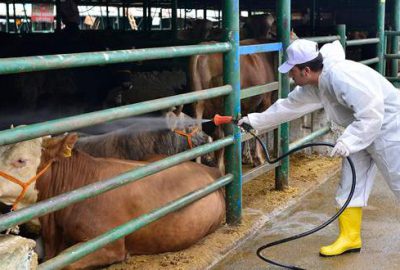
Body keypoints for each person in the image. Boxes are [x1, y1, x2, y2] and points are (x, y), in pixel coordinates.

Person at [239, 39, 400, 257]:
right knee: (350, 184)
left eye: (292, 71)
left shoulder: (341, 76)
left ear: (305, 70)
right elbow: (289, 106)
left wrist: (348, 141)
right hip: (360, 130)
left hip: (389, 129)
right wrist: (255, 121)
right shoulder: (317, 84)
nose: (290, 76)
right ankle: (350, 237)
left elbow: (372, 113)